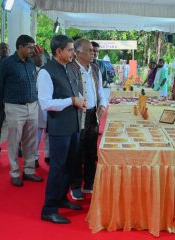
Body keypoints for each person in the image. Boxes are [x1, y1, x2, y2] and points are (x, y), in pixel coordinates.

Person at [38, 35, 86, 224]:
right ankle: (48, 209)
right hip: (59, 127)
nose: (73, 53)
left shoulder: (68, 67)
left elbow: (73, 91)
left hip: (72, 124)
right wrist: (72, 101)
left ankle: (61, 198)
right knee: (57, 168)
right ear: (59, 52)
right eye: (70, 50)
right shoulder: (46, 72)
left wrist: (79, 99)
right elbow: (45, 103)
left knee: (70, 165)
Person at [0, 34, 43, 187]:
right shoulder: (7, 64)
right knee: (14, 141)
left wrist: (38, 55)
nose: (32, 50)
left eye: (33, 47)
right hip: (14, 106)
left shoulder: (30, 63)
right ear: (20, 47)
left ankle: (28, 171)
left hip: (32, 105)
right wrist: (7, 100)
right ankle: (14, 172)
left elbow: (40, 65)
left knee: (30, 140)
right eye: (29, 47)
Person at [69, 39, 107, 200]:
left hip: (92, 114)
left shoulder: (95, 67)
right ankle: (76, 185)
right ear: (77, 52)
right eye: (89, 50)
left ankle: (90, 183)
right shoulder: (70, 68)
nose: (93, 53)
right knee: (77, 152)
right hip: (77, 114)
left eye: (93, 50)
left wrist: (102, 104)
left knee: (91, 151)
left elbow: (100, 90)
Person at [32, 45, 49, 167]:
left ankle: (49, 155)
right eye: (38, 55)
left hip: (48, 103)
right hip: (35, 103)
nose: (41, 58)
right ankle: (34, 157)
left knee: (49, 131)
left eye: (42, 55)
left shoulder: (48, 69)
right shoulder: (29, 68)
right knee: (36, 133)